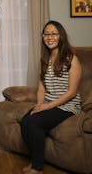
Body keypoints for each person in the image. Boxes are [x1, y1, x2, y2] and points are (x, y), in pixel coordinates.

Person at [20, 20, 82, 174]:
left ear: (61, 36)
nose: (50, 37)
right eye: (46, 34)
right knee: (25, 121)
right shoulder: (43, 61)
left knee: (34, 122)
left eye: (53, 33)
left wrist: (46, 107)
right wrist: (40, 105)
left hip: (67, 105)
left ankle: (37, 167)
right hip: (48, 102)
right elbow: (41, 88)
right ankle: (35, 158)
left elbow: (72, 92)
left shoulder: (72, 59)